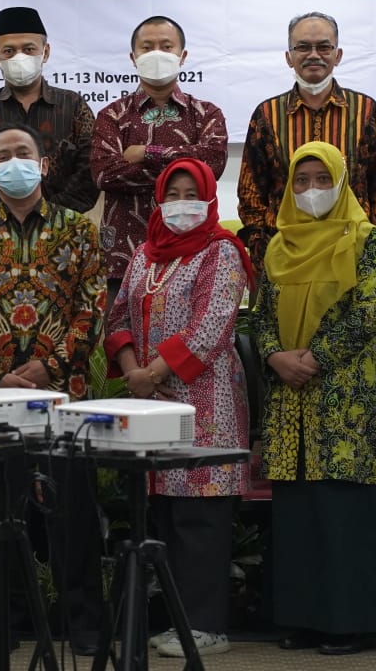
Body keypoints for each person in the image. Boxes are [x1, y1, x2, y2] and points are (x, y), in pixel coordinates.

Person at [0, 124, 108, 654]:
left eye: (24, 153)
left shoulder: (78, 230)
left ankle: (84, 622)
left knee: (74, 513)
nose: (13, 161)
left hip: (66, 393)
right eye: (2, 156)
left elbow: (92, 306)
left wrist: (51, 365)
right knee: (0, 513)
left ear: (42, 165)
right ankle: (4, 621)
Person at [107, 157, 251, 658]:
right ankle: (176, 622)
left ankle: (207, 627)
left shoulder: (222, 251)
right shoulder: (144, 253)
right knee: (166, 515)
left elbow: (212, 324)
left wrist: (152, 374)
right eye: (173, 194)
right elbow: (118, 317)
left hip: (205, 403)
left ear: (209, 198)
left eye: (192, 194)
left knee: (200, 517)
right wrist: (133, 371)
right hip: (152, 403)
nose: (182, 204)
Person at [254, 142, 376, 656]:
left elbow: (368, 310)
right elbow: (260, 314)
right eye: (302, 181)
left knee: (344, 510)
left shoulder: (367, 239)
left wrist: (314, 358)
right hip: (288, 398)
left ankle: (354, 624)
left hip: (344, 395)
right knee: (299, 513)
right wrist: (275, 356)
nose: (311, 189)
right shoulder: (278, 244)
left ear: (341, 182)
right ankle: (305, 618)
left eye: (321, 179)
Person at [238, 11, 376, 276]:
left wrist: (374, 250)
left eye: (324, 47)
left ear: (338, 54)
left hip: (353, 259)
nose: (314, 55)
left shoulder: (365, 110)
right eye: (303, 47)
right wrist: (262, 250)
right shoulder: (267, 114)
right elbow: (251, 192)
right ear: (289, 57)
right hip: (285, 260)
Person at [91, 15, 227, 298]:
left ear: (182, 56)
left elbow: (212, 164)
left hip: (194, 254)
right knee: (121, 326)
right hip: (125, 256)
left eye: (166, 47)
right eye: (147, 47)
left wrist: (146, 153)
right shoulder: (112, 116)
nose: (156, 54)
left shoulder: (206, 114)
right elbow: (104, 174)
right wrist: (184, 171)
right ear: (133, 57)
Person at [0, 5, 98, 215]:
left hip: (63, 225)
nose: (19, 57)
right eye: (9, 51)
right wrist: (11, 214)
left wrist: (49, 214)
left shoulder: (74, 106)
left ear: (45, 52)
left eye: (29, 49)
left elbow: (90, 170)